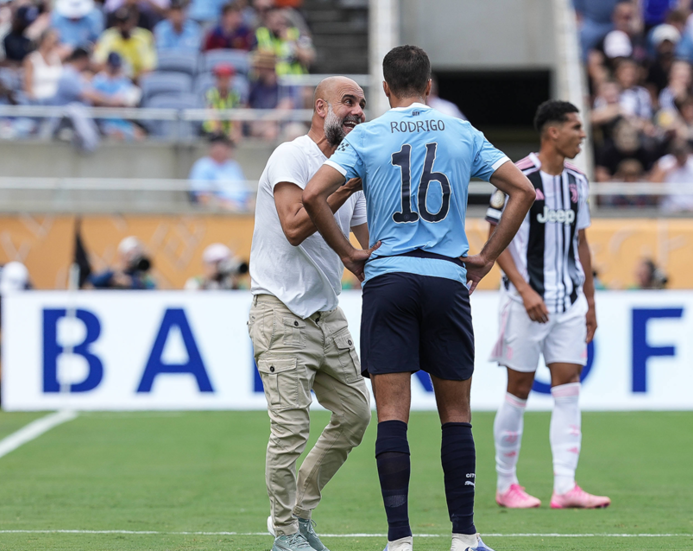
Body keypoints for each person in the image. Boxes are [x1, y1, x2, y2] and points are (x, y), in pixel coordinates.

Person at [302, 45, 535, 551]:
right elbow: (522, 190)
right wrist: (488, 256)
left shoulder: (366, 135)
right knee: (457, 414)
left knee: (392, 413)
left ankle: (399, 541)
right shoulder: (461, 131)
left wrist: (349, 253)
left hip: (388, 279)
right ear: (428, 86)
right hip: (446, 277)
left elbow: (312, 196)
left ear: (385, 89)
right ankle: (465, 537)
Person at [248, 76, 370, 551]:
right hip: (280, 310)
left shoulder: (348, 169)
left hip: (326, 312)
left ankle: (299, 514)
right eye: (349, 101)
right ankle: (283, 533)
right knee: (290, 428)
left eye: (361, 102)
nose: (358, 110)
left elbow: (365, 247)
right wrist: (340, 187)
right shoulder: (292, 155)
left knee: (357, 414)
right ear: (321, 108)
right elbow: (296, 224)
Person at [484, 100, 608, 511]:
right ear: (552, 132)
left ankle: (565, 486)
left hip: (569, 301)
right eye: (575, 127)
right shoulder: (517, 176)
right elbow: (492, 238)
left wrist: (590, 302)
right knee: (517, 389)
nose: (582, 134)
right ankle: (506, 485)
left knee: (568, 388)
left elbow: (582, 242)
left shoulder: (577, 181)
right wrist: (524, 289)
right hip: (525, 302)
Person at [189, 133, 250, 211]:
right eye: (219, 146)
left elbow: (247, 195)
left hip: (242, 209)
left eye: (226, 146)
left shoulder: (233, 166)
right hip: (220, 211)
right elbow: (203, 198)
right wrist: (226, 206)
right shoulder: (202, 166)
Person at [91, 52, 144, 140]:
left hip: (122, 119)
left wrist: (120, 103)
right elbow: (94, 102)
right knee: (118, 135)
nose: (114, 68)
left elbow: (129, 101)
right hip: (104, 121)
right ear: (107, 64)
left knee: (140, 135)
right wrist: (111, 101)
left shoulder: (123, 81)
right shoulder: (98, 80)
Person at [651, 139, 693, 213]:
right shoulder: (664, 165)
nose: (680, 158)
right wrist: (666, 173)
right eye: (677, 155)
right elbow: (653, 191)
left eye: (682, 155)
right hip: (670, 210)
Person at [94, 8, 156, 79]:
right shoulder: (108, 36)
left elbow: (149, 67)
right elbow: (98, 62)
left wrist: (132, 79)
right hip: (112, 79)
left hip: (136, 81)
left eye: (125, 21)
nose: (123, 26)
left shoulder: (144, 37)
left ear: (133, 21)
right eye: (120, 22)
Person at [255, 6, 314, 75]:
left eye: (281, 18)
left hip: (295, 80)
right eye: (274, 17)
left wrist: (291, 42)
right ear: (267, 21)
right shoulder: (260, 34)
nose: (279, 21)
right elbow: (255, 58)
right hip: (271, 81)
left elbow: (309, 57)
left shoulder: (295, 33)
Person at [88, 236, 156, 289]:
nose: (133, 258)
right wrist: (113, 275)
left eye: (137, 254)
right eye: (130, 254)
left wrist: (130, 283)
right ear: (122, 256)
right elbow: (94, 282)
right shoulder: (114, 272)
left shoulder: (141, 275)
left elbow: (151, 288)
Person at [203, 63, 242, 140]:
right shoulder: (211, 93)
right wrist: (220, 131)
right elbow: (212, 112)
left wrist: (236, 130)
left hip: (228, 130)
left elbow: (236, 114)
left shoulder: (234, 95)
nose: (223, 81)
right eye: (220, 78)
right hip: (212, 130)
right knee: (217, 136)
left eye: (226, 78)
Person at [22, 29, 63, 103]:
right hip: (38, 101)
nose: (54, 42)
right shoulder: (31, 59)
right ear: (43, 41)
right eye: (50, 39)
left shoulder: (57, 58)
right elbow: (27, 86)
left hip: (57, 101)